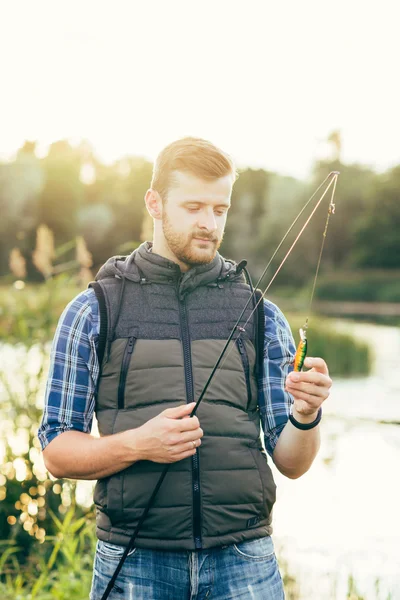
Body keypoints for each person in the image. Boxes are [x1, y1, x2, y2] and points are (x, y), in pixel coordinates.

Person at [38, 137, 332, 600]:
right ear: (154, 203)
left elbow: (292, 462)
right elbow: (56, 449)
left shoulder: (261, 315)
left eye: (220, 209)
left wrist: (307, 412)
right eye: (194, 206)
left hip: (246, 562)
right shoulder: (94, 309)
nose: (208, 223)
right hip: (135, 563)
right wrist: (139, 444)